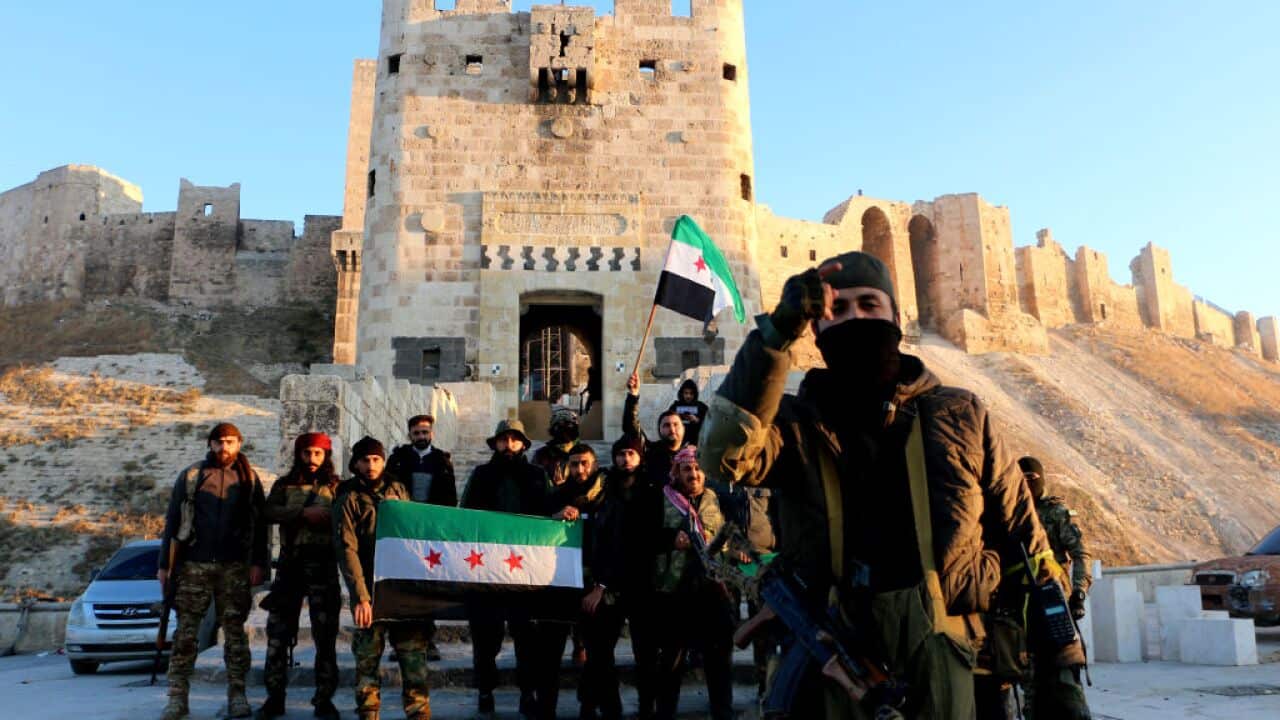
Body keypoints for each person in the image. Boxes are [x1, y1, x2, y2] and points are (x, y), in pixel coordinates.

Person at [699, 252, 1061, 719]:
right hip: (835, 649)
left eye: (869, 304)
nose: (856, 318)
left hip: (950, 655)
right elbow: (722, 454)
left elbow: (1024, 538)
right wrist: (775, 335)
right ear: (816, 330)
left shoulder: (961, 414)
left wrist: (1060, 665)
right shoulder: (791, 425)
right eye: (839, 309)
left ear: (896, 317)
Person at [158, 422, 268, 720]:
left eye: (230, 442)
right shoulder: (193, 476)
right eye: (219, 442)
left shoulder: (249, 480)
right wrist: (163, 567)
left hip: (234, 567)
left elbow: (261, 528)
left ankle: (238, 695)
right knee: (186, 634)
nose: (224, 448)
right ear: (210, 444)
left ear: (239, 443)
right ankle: (177, 698)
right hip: (194, 565)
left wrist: (259, 563)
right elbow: (172, 521)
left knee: (234, 634)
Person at [334, 436, 431, 720]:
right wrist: (360, 597)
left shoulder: (398, 489)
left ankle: (419, 713)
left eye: (376, 459)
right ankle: (369, 713)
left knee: (413, 658)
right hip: (371, 590)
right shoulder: (348, 497)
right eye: (365, 460)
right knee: (367, 660)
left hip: (402, 589)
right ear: (355, 463)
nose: (371, 465)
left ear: (384, 460)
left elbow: (414, 534)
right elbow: (347, 549)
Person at [460, 419, 549, 720]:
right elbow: (466, 516)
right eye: (503, 440)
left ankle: (528, 692)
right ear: (495, 444)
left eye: (514, 440)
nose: (508, 445)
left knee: (527, 638)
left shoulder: (538, 476)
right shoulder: (481, 475)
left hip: (526, 571)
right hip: (487, 571)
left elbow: (549, 516)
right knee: (486, 638)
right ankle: (485, 690)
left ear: (523, 444)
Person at [256, 432, 342, 720]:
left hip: (323, 567)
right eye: (307, 453)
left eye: (318, 453)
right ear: (299, 454)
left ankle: (324, 699)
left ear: (326, 455)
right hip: (290, 567)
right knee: (277, 636)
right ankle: (274, 698)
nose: (312, 459)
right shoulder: (285, 484)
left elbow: (345, 517)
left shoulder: (336, 486)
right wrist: (303, 514)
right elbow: (268, 512)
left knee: (325, 638)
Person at [650, 446, 735, 720]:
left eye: (698, 469)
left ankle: (722, 711)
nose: (694, 474)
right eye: (687, 469)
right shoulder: (661, 498)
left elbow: (725, 535)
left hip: (712, 590)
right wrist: (670, 539)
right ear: (677, 472)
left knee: (718, 661)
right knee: (671, 662)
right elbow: (643, 536)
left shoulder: (713, 497)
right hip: (675, 591)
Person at [582, 433, 662, 719]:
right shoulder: (603, 490)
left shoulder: (652, 491)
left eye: (631, 453)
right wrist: (600, 583)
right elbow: (602, 538)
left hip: (643, 584)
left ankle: (646, 706)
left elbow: (648, 539)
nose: (625, 459)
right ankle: (610, 708)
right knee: (602, 653)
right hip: (609, 586)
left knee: (646, 654)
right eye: (620, 454)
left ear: (639, 457)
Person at [1018, 456, 1093, 720]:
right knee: (1027, 678)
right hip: (1022, 604)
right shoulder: (1012, 513)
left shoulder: (1056, 513)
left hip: (1055, 601)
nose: (1027, 484)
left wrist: (1079, 593)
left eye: (1032, 479)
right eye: (1022, 478)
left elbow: (1081, 554)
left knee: (1064, 671)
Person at [539, 444, 608, 720]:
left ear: (594, 464)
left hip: (592, 585)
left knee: (595, 652)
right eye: (575, 464)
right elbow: (537, 528)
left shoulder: (606, 497)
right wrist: (554, 519)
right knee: (549, 653)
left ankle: (588, 706)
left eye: (585, 463)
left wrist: (601, 585)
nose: (580, 470)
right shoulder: (556, 495)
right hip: (558, 583)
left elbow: (613, 540)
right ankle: (546, 708)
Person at [386, 414, 457, 661]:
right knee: (401, 588)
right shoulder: (397, 460)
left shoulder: (442, 461)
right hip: (403, 533)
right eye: (416, 433)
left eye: (425, 432)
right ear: (410, 435)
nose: (421, 437)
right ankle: (400, 643)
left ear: (432, 434)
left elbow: (450, 499)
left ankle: (428, 641)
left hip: (430, 534)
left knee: (428, 588)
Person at [623, 373, 686, 487]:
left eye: (676, 424)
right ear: (659, 430)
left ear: (683, 428)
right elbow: (631, 427)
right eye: (666, 425)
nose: (672, 429)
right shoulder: (650, 451)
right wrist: (633, 395)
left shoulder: (693, 455)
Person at [533, 406, 581, 488]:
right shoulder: (542, 455)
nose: (564, 431)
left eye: (569, 426)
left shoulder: (583, 453)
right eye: (560, 427)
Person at [667, 379, 709, 445]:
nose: (688, 396)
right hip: (678, 444)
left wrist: (697, 420)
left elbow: (710, 424)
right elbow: (667, 422)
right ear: (682, 393)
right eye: (686, 393)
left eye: (691, 393)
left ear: (695, 394)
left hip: (696, 444)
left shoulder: (701, 407)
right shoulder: (675, 407)